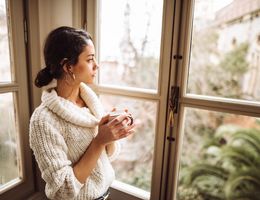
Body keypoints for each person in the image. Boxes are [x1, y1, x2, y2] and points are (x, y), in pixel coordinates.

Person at [29, 26, 135, 200]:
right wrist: (99, 141)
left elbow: (105, 158)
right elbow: (62, 190)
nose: (97, 65)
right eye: (90, 59)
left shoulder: (90, 102)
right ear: (68, 66)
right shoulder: (43, 121)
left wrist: (111, 133)